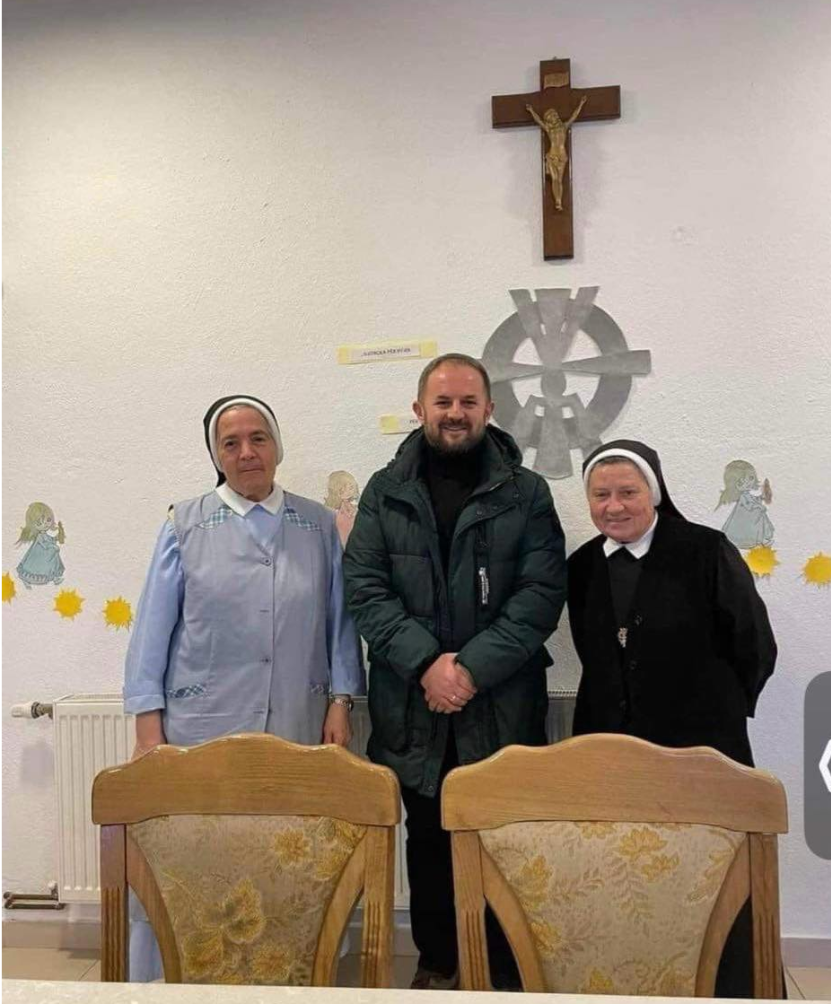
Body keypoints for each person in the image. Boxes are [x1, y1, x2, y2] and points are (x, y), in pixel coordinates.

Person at [343, 354, 567, 990]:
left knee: (502, 841)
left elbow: (540, 595)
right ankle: (439, 963)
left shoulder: (527, 492)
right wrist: (426, 665)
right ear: (419, 410)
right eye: (442, 402)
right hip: (413, 708)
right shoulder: (384, 491)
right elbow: (365, 589)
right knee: (428, 841)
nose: (455, 413)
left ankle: (504, 969)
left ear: (490, 409)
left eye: (468, 401)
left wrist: (468, 670)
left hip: (500, 705)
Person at [123, 393, 364, 980]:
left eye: (258, 438)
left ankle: (288, 973)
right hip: (202, 727)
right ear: (216, 456)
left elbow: (340, 621)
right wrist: (148, 727)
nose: (246, 452)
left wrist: (341, 700)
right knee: (195, 860)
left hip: (298, 721)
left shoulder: (317, 525)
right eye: (230, 443)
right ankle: (173, 978)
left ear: (278, 446)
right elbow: (152, 630)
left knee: (292, 858)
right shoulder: (183, 525)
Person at [567, 439, 777, 997]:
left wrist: (720, 711)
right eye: (601, 494)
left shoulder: (705, 550)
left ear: (655, 493)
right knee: (626, 877)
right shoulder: (581, 566)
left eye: (628, 492)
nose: (614, 506)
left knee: (715, 877)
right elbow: (596, 652)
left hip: (702, 749)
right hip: (609, 750)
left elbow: (755, 644)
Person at [525, 96, 587, 211]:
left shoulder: (564, 127)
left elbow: (574, 116)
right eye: (552, 116)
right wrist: (531, 110)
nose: (555, 116)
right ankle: (558, 202)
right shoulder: (549, 129)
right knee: (554, 179)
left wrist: (581, 104)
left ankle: (559, 200)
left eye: (555, 114)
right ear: (549, 120)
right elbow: (538, 121)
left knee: (559, 180)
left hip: (562, 157)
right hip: (552, 156)